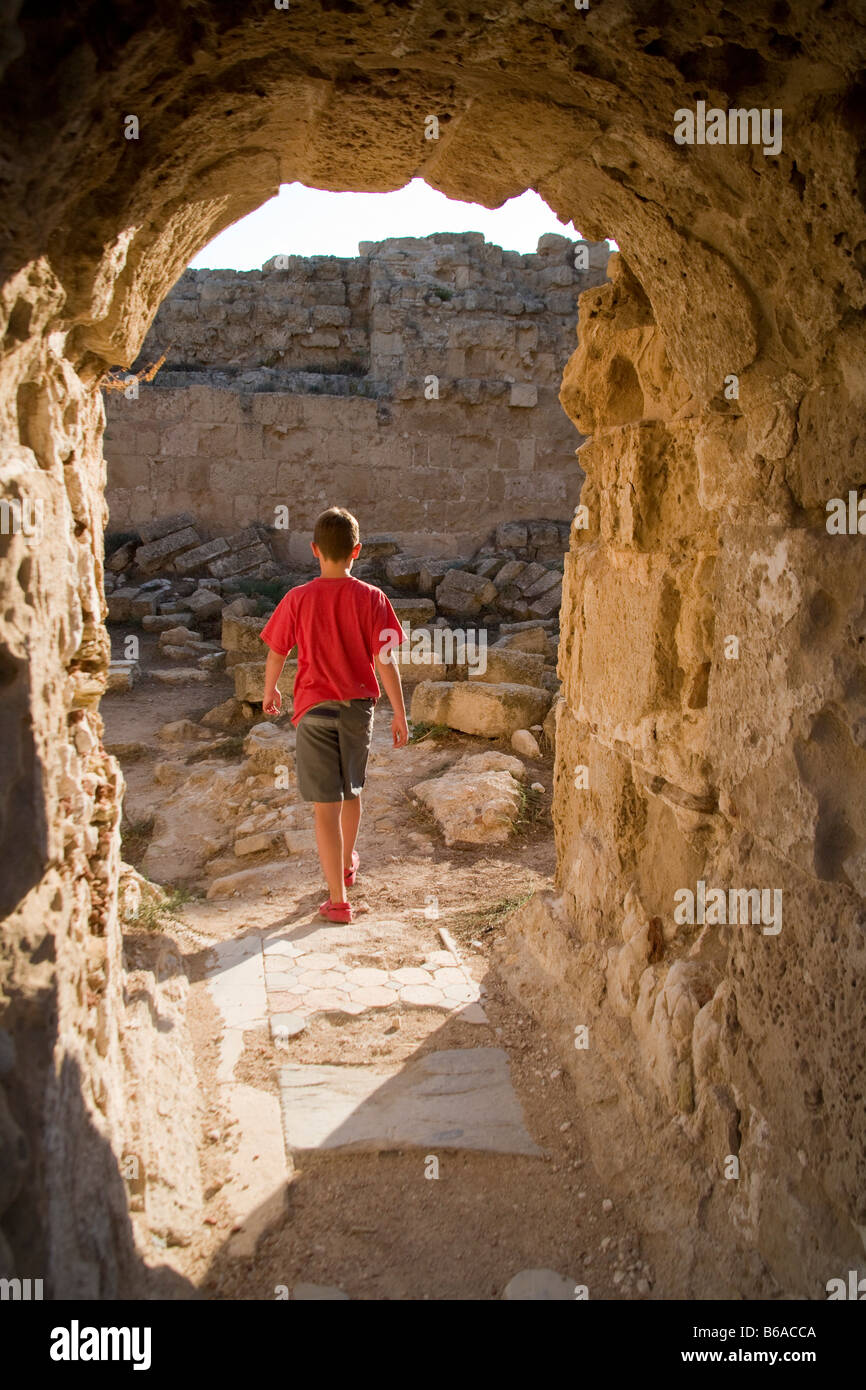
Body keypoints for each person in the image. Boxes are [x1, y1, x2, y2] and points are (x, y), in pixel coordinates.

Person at [259, 506, 408, 922]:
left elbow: (277, 651)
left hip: (313, 711)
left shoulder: (297, 598)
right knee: (351, 792)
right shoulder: (373, 598)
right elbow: (385, 660)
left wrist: (269, 689)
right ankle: (345, 863)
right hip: (357, 711)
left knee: (325, 806)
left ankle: (338, 901)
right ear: (356, 551)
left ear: (314, 550)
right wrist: (400, 713)